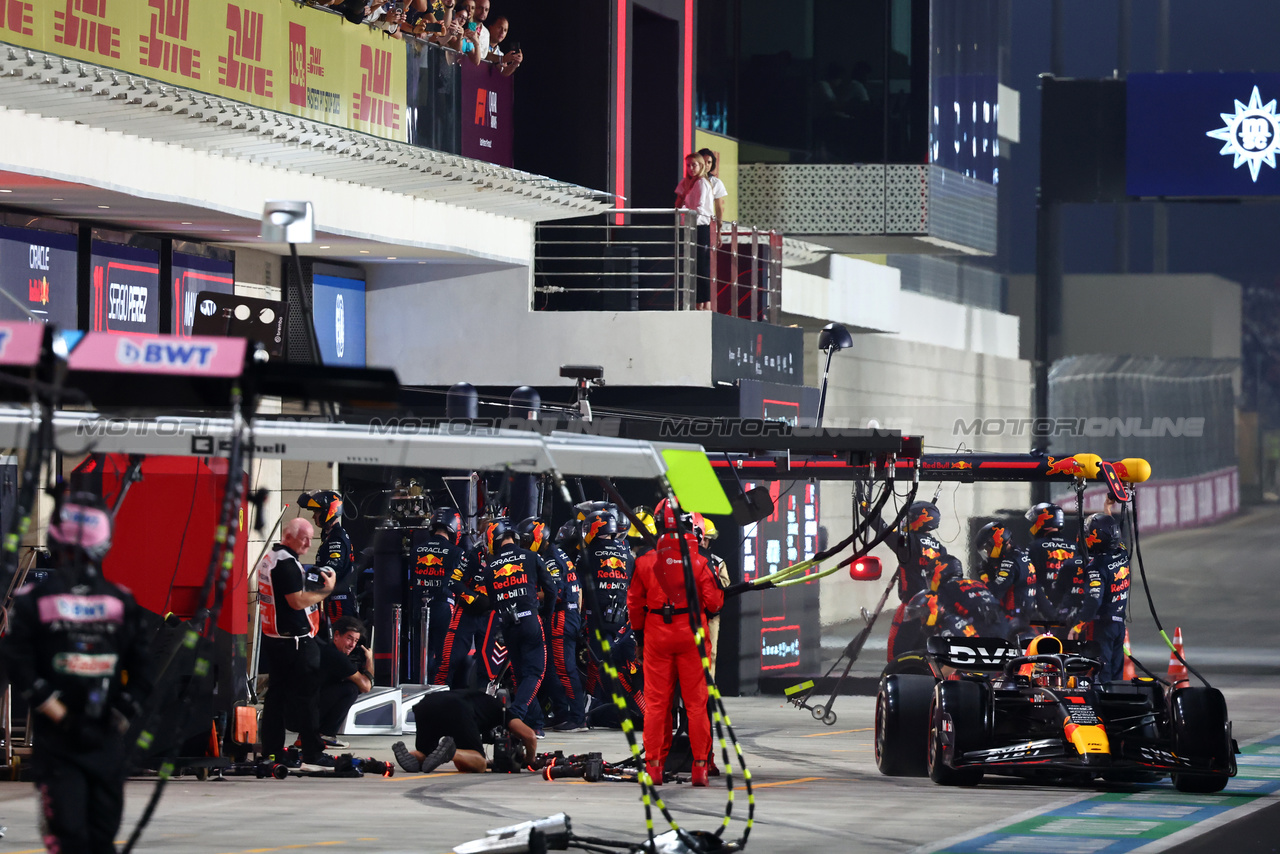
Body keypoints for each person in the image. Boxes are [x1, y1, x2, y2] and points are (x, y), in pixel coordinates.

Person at [0, 492, 151, 854]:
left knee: (78, 839)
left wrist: (61, 713)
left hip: (71, 736)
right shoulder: (121, 600)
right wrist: (121, 714)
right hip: (92, 736)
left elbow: (17, 663)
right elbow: (144, 670)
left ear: (54, 538)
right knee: (95, 838)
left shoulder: (32, 599)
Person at [628, 501, 725, 788]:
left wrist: (639, 636)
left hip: (657, 632)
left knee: (657, 705)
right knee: (697, 704)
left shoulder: (645, 560)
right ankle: (700, 768)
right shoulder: (702, 561)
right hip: (692, 632)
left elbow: (634, 604)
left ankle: (655, 768)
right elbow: (715, 602)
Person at [258, 517, 336, 770]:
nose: (307, 541)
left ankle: (272, 752)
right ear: (288, 536)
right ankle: (313, 752)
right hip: (294, 641)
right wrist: (326, 590)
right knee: (307, 699)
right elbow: (296, 602)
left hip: (274, 637)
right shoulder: (286, 564)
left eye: (310, 536)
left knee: (276, 697)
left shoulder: (270, 558)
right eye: (303, 536)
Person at [484, 517, 556, 728]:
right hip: (530, 621)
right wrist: (546, 614)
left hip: (507, 626)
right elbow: (551, 590)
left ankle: (534, 724)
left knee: (521, 675)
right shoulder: (531, 557)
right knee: (535, 673)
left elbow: (492, 601)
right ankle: (516, 714)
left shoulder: (490, 568)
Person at [520, 517, 587, 732]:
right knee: (550, 668)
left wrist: (526, 594)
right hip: (566, 614)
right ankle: (561, 713)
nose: (523, 543)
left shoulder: (550, 559)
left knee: (564, 668)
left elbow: (555, 591)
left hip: (562, 615)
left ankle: (578, 718)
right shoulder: (556, 554)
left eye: (526, 539)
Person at [580, 508, 644, 722]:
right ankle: (643, 711)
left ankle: (586, 711)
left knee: (595, 664)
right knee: (625, 668)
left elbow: (579, 590)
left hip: (595, 619)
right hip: (623, 622)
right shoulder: (628, 555)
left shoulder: (586, 555)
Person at [391, 689, 538, 774]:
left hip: (426, 705)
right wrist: (529, 760)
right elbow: (529, 736)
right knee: (479, 764)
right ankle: (451, 752)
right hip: (458, 708)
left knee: (427, 753)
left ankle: (410, 755)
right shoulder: (502, 710)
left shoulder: (481, 699)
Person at [872, 500, 947, 659]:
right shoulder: (940, 548)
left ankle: (895, 680)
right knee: (924, 655)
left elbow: (884, 532)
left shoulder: (910, 541)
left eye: (910, 517)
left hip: (912, 607)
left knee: (896, 655)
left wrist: (867, 512)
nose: (906, 521)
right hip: (933, 609)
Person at [410, 507, 469, 681]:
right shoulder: (457, 552)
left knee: (420, 656)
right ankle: (439, 694)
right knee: (444, 657)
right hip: (444, 606)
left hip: (419, 606)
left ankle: (417, 694)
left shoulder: (416, 550)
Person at [1079, 513, 1131, 681]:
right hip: (1119, 624)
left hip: (1102, 626)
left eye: (1089, 534)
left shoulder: (1096, 566)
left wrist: (1079, 624)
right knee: (1116, 673)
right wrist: (1107, 508)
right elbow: (1111, 534)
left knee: (1100, 673)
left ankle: (1102, 705)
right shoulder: (1122, 553)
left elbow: (1094, 599)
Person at [314, 616, 375, 747]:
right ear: (336, 635)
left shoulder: (325, 650)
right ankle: (326, 734)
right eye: (349, 638)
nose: (352, 645)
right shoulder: (337, 657)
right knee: (351, 689)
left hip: (300, 710)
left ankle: (310, 735)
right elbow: (366, 686)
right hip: (304, 712)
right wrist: (370, 659)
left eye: (356, 640)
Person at [299, 490, 356, 626]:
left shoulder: (337, 537)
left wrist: (304, 577)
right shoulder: (330, 535)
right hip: (334, 598)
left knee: (340, 641)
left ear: (327, 512)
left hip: (340, 600)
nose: (313, 517)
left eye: (316, 513)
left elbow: (331, 571)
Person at [973, 521, 1037, 639]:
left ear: (996, 542)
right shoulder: (1021, 556)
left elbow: (996, 591)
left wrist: (983, 577)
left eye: (987, 548)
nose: (987, 553)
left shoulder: (1009, 561)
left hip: (1013, 620)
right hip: (1027, 614)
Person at [1024, 502, 1079, 624]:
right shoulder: (1075, 547)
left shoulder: (1034, 547)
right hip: (1071, 613)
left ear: (1042, 521)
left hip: (1043, 612)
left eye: (1034, 522)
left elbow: (1030, 579)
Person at [674, 153, 715, 310]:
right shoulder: (691, 183)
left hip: (700, 227)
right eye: (688, 165)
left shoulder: (701, 183)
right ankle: (701, 303)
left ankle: (704, 303)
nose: (691, 168)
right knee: (697, 266)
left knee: (701, 266)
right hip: (694, 226)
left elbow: (698, 208)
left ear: (701, 165)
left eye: (694, 165)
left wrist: (684, 216)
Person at [698, 148, 729, 232]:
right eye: (704, 161)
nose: (706, 165)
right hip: (688, 222)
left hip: (705, 224)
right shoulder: (688, 181)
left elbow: (718, 208)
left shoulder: (716, 183)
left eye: (709, 162)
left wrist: (718, 231)